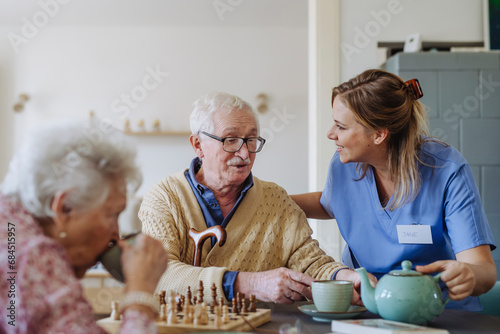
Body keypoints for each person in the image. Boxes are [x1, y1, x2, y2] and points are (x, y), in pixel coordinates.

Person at [291, 69, 497, 311]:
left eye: (341, 126)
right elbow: (331, 203)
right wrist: (269, 199)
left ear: (379, 134)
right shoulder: (343, 166)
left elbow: (484, 270)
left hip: (437, 311)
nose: (330, 134)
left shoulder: (446, 169)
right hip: (370, 307)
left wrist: (470, 275)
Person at [139, 92, 371, 305]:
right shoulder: (164, 199)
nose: (244, 153)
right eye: (230, 140)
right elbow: (157, 275)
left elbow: (311, 263)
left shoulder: (275, 199)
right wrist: (250, 284)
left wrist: (343, 276)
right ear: (198, 144)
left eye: (251, 140)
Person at [0, 121, 169, 333]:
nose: (117, 234)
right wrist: (140, 292)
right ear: (64, 208)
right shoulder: (32, 254)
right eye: (112, 214)